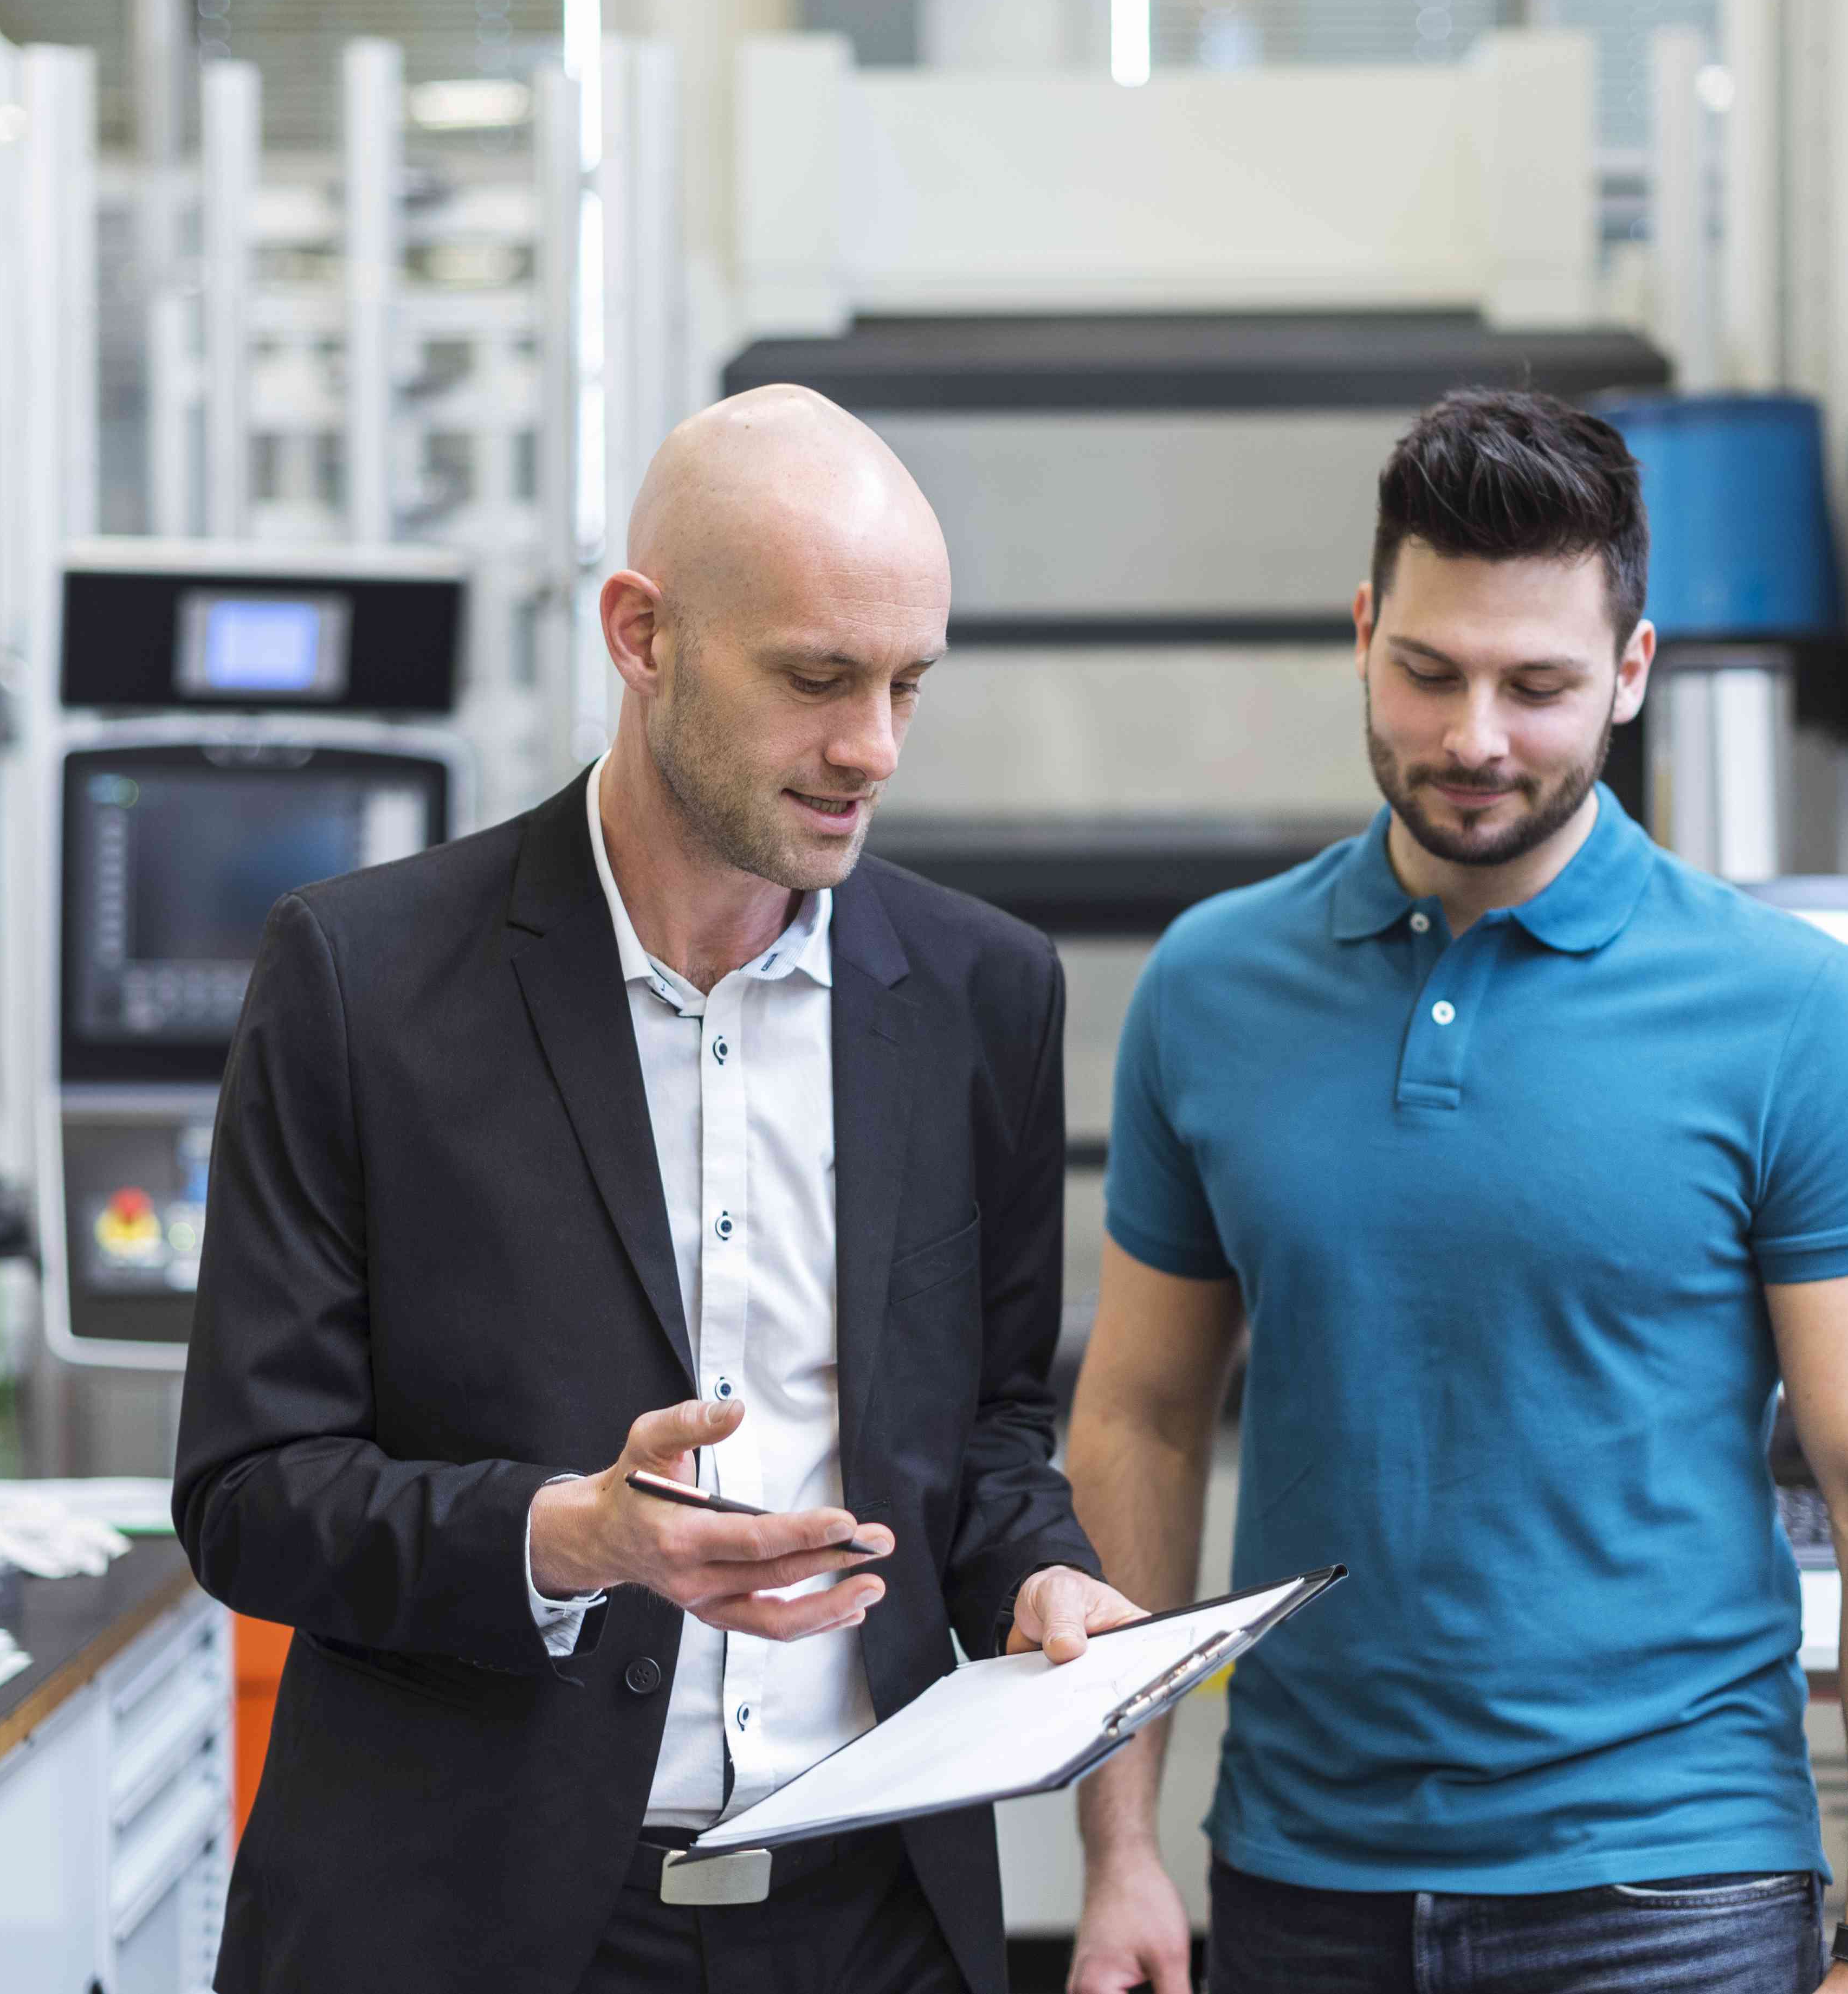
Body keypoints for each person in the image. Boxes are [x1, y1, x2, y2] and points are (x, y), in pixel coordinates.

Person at [176, 384, 1141, 1994]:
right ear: (643, 635)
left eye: (909, 683)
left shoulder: (983, 993)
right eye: (819, 679)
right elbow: (249, 1492)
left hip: (874, 1925)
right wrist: (574, 1534)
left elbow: (979, 1439)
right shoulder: (359, 977)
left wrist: (1038, 1574)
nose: (873, 749)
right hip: (467, 1927)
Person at [1063, 389, 1848, 1994]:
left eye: (1538, 685)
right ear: (1363, 632)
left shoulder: (1798, 1016)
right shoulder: (1210, 989)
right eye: (1428, 670)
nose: (1475, 736)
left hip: (1671, 1892)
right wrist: (1123, 1845)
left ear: (1632, 673)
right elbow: (1136, 1420)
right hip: (1296, 1876)